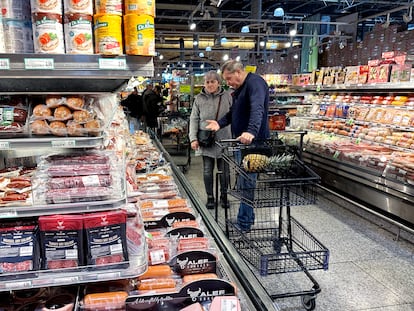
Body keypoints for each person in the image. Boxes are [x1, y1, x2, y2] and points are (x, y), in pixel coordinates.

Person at [206, 60, 270, 232]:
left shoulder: (255, 83)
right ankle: (245, 219)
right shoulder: (241, 89)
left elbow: (258, 109)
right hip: (243, 142)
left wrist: (251, 131)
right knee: (244, 182)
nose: (228, 83)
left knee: (247, 182)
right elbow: (234, 113)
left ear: (238, 72)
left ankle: (244, 223)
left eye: (229, 79)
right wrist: (219, 124)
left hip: (253, 144)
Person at [189, 70, 232, 210]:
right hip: (205, 140)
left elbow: (235, 116)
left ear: (219, 82)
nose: (210, 85)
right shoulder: (199, 99)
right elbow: (194, 119)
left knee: (224, 171)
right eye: (207, 82)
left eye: (213, 82)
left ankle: (224, 196)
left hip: (224, 139)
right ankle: (210, 197)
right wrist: (193, 138)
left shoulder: (228, 96)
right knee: (207, 170)